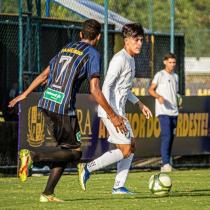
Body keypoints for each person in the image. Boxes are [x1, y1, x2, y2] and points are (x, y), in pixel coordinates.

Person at [8, 19, 126, 202]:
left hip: (46, 102)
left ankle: (47, 193)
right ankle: (33, 156)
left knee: (65, 149)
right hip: (63, 108)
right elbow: (95, 89)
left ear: (80, 34)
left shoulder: (67, 47)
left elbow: (44, 74)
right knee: (76, 152)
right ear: (99, 37)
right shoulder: (92, 53)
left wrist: (25, 94)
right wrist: (113, 115)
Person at [78, 23, 152, 194]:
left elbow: (124, 89)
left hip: (118, 111)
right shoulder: (119, 60)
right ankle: (88, 168)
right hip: (111, 111)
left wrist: (139, 103)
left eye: (141, 40)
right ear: (126, 41)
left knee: (131, 145)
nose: (139, 43)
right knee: (125, 149)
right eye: (136, 40)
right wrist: (113, 115)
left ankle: (118, 186)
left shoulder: (131, 59)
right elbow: (106, 87)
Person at [148, 53, 179, 172]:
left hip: (174, 112)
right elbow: (150, 90)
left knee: (171, 138)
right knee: (166, 136)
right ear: (165, 62)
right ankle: (165, 164)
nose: (172, 65)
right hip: (163, 111)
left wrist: (177, 101)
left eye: (174, 62)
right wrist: (159, 96)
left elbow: (174, 93)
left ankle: (168, 164)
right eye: (170, 62)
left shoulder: (175, 76)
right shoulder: (160, 75)